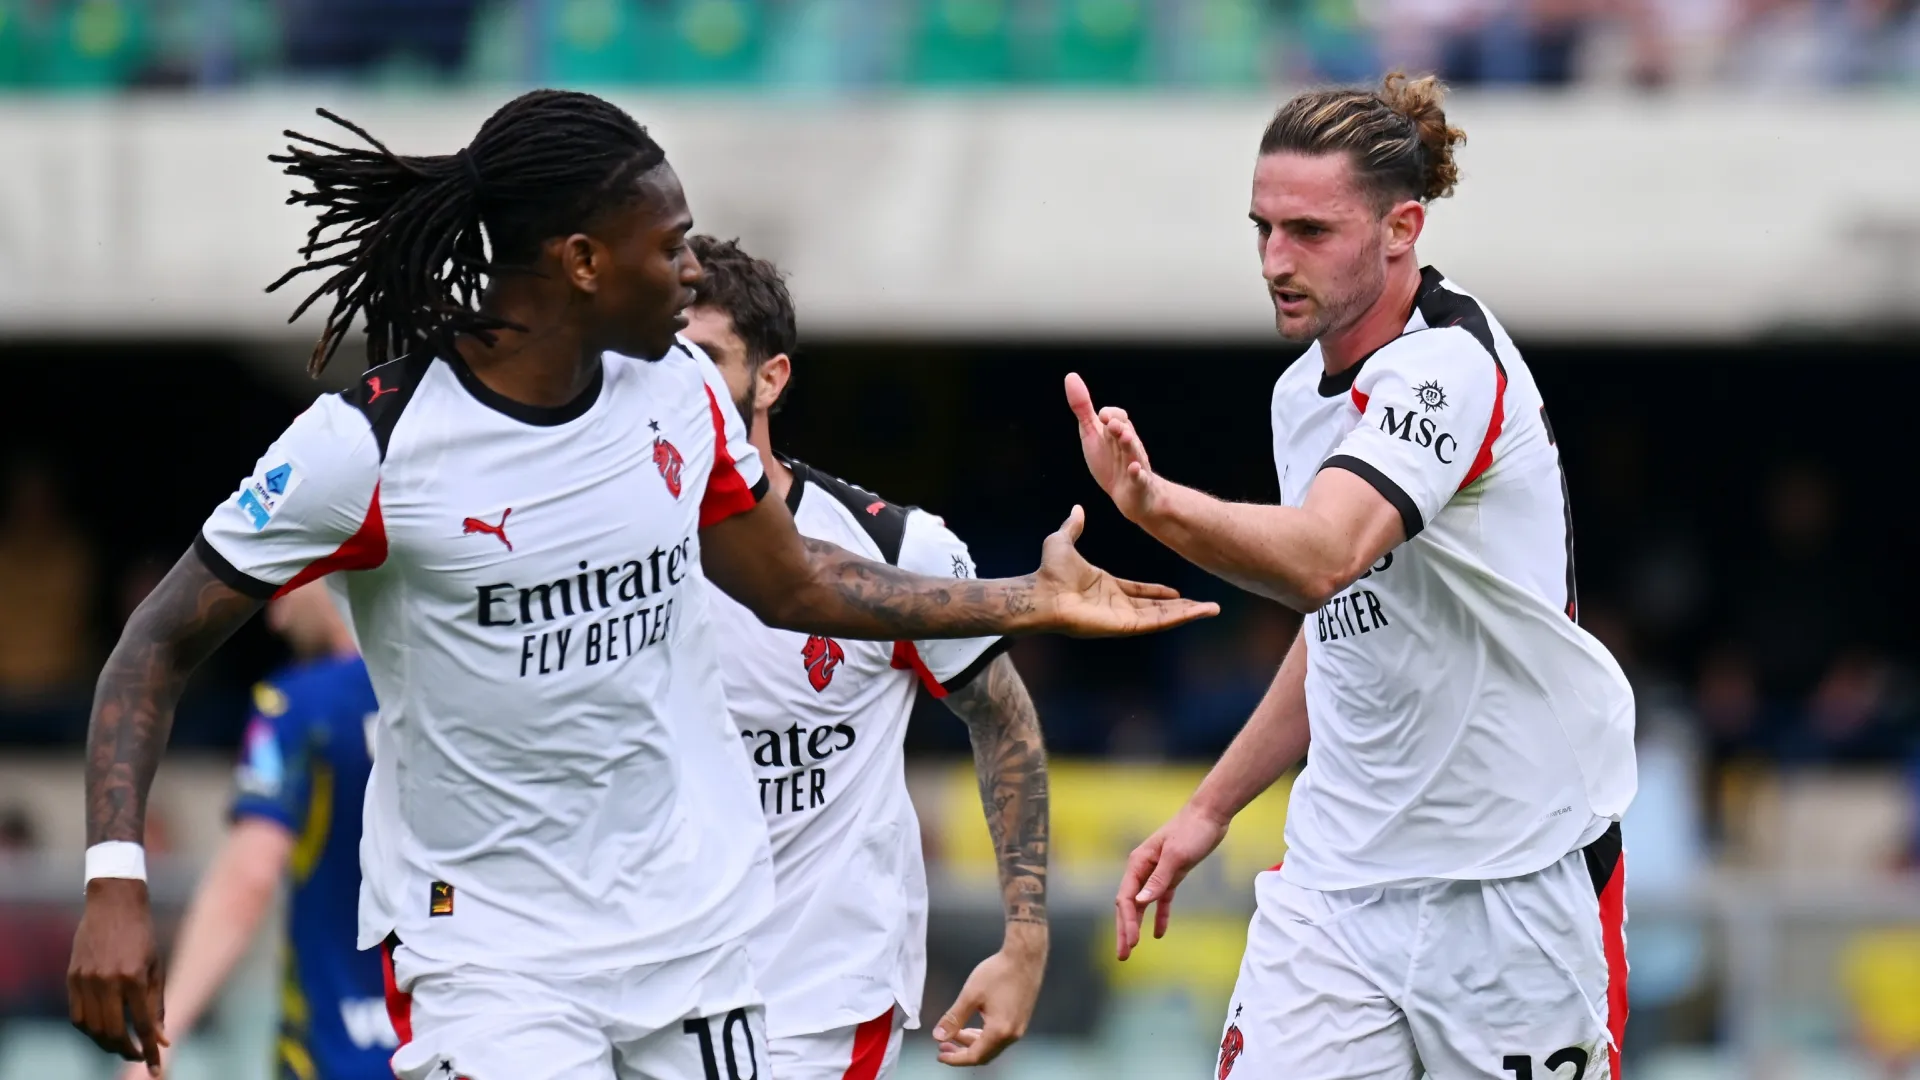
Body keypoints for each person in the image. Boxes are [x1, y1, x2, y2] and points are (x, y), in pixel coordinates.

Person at [66, 89, 1214, 1080]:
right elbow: (154, 646)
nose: (688, 273)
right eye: (668, 249)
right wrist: (116, 880)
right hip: (489, 949)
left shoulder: (678, 394)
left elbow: (795, 580)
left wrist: (1028, 596)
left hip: (693, 933)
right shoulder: (368, 447)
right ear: (580, 263)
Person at [1068, 73, 1637, 1079]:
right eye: (1262, 230)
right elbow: (1347, 625)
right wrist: (1211, 808)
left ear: (1400, 227)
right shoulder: (1302, 395)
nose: (1275, 262)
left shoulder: (1452, 367)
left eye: (1309, 232)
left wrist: (1153, 506)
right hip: (1338, 884)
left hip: (1512, 882)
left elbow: (1328, 556)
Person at [685, 236, 1049, 1079]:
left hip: (813, 1001)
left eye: (704, 358)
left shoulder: (897, 547)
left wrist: (1024, 940)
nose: (679, 385)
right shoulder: (610, 539)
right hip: (641, 984)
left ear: (770, 378)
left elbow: (1004, 717)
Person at [119, 580, 392, 1080]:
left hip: (337, 1055)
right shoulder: (456, 704)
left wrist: (165, 1031)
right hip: (461, 1044)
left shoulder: (299, 706)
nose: (276, 617)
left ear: (335, 571)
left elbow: (247, 877)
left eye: (285, 585)